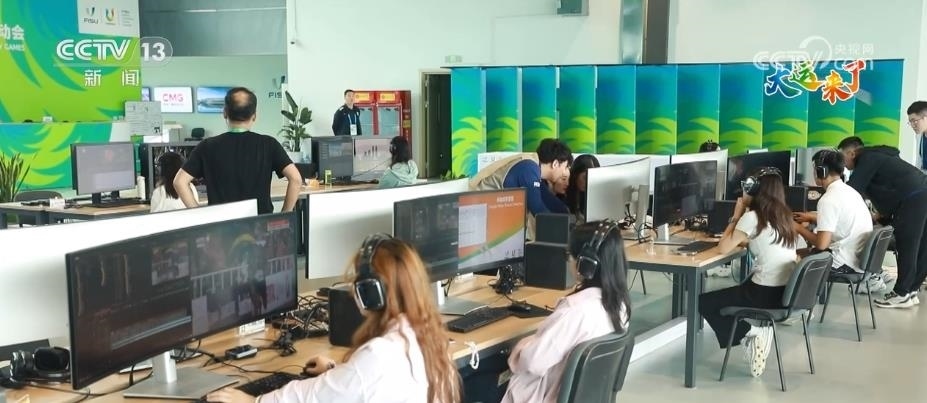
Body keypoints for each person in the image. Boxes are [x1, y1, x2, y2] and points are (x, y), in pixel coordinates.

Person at [206, 234, 461, 403]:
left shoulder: (379, 354)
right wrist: (337, 372)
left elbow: (311, 398)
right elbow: (369, 384)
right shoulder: (426, 334)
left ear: (369, 293)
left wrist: (254, 400)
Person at [502, 220, 630, 403]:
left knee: (476, 378)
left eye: (570, 255)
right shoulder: (620, 305)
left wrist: (523, 345)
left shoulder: (576, 311)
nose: (569, 260)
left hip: (543, 396)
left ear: (586, 264)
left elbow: (532, 361)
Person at [699, 167, 798, 377]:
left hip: (764, 294)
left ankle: (753, 333)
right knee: (737, 289)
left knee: (704, 302)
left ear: (754, 190)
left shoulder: (752, 217)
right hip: (785, 292)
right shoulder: (784, 215)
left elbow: (723, 248)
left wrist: (736, 216)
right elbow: (761, 240)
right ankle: (754, 333)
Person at [174, 87, 301, 215]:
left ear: (225, 113)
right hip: (259, 223)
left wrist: (199, 215)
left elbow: (179, 182)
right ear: (254, 116)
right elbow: (296, 179)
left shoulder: (206, 146)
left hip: (221, 224)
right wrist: (285, 215)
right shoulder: (269, 144)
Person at [838, 135, 927, 308]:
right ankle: (911, 291)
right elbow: (885, 187)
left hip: (913, 198)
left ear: (852, 153)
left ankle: (902, 293)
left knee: (907, 245)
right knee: (922, 245)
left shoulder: (867, 158)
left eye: (842, 158)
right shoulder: (880, 156)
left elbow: (851, 191)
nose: (842, 164)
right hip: (922, 191)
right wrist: (880, 215)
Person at [792, 150, 881, 291]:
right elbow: (842, 219)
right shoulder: (850, 192)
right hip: (858, 259)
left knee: (789, 258)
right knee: (802, 252)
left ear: (821, 171)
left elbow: (821, 244)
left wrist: (798, 228)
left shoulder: (828, 200)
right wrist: (812, 217)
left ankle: (799, 303)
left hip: (844, 263)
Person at [469, 138, 573, 238]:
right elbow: (538, 210)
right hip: (480, 217)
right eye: (565, 167)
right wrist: (565, 228)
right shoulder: (528, 168)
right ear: (555, 164)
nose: (564, 173)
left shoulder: (533, 167)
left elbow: (547, 198)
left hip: (491, 219)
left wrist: (569, 216)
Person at [564, 154, 601, 222]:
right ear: (575, 175)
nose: (589, 182)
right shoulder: (563, 190)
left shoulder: (594, 193)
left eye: (593, 178)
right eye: (585, 177)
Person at [910, 101, 927, 171]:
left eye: (914, 121)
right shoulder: (919, 136)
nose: (912, 125)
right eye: (910, 122)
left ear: (925, 118)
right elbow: (919, 161)